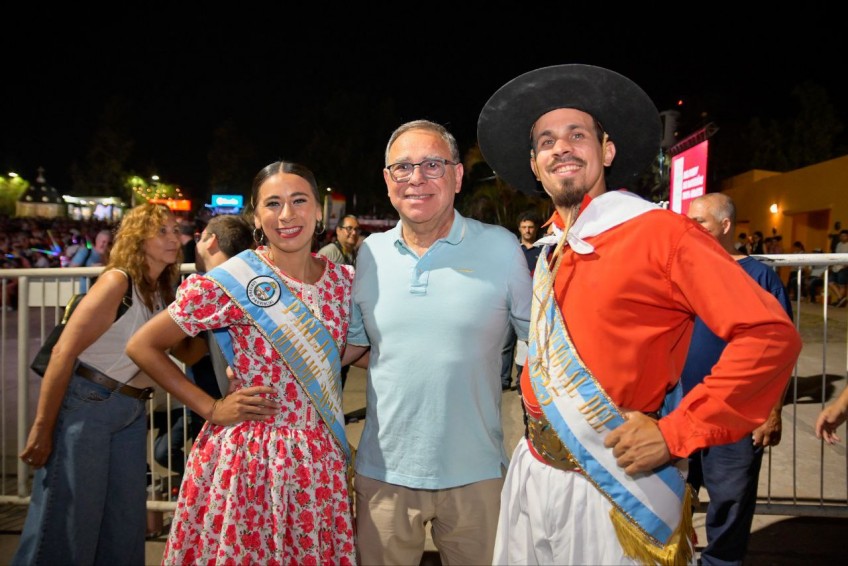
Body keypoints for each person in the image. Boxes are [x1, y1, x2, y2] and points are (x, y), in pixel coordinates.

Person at [476, 63, 802, 565]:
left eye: (577, 134)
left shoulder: (662, 233)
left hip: (612, 487)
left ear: (606, 151)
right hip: (534, 470)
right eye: (546, 141)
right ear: (535, 165)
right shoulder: (552, 247)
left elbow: (770, 336)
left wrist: (676, 432)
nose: (561, 148)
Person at [126, 160, 356, 564]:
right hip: (251, 458)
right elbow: (143, 345)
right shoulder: (235, 279)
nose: (287, 215)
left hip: (318, 459)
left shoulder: (344, 282)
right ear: (256, 216)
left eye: (299, 200)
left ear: (319, 210)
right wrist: (211, 408)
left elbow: (342, 352)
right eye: (273, 203)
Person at [342, 119, 532, 565]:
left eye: (432, 165)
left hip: (477, 474)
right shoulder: (370, 254)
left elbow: (545, 345)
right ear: (387, 180)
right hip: (384, 476)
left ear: (457, 176)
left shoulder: (501, 248)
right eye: (403, 167)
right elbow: (357, 347)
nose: (417, 178)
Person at [13, 203, 183, 566]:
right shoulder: (117, 281)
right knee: (67, 524)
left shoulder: (162, 291)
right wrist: (42, 428)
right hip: (89, 405)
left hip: (131, 411)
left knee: (123, 525)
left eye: (175, 230)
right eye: (162, 231)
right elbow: (63, 352)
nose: (174, 238)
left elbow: (186, 350)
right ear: (138, 239)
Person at [683, 192, 793, 565]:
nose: (690, 227)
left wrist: (772, 412)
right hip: (681, 410)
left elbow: (780, 350)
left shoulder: (760, 277)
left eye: (700, 221)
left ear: (726, 225)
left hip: (736, 416)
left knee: (730, 504)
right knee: (671, 497)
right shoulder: (682, 271)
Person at [151, 214, 255, 477]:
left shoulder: (206, 288)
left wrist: (166, 333)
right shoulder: (253, 283)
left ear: (211, 241)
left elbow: (188, 352)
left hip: (220, 403)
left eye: (199, 238)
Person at [317, 214, 360, 390]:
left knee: (340, 377)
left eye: (356, 229)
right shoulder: (329, 253)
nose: (353, 233)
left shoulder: (353, 253)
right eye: (349, 228)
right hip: (329, 328)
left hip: (344, 326)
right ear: (339, 230)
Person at [501, 210, 542, 390]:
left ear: (536, 228)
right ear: (519, 228)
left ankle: (526, 380)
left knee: (530, 343)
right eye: (524, 227)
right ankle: (503, 380)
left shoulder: (542, 250)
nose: (527, 230)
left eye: (530, 227)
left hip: (535, 305)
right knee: (505, 344)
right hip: (511, 304)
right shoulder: (513, 251)